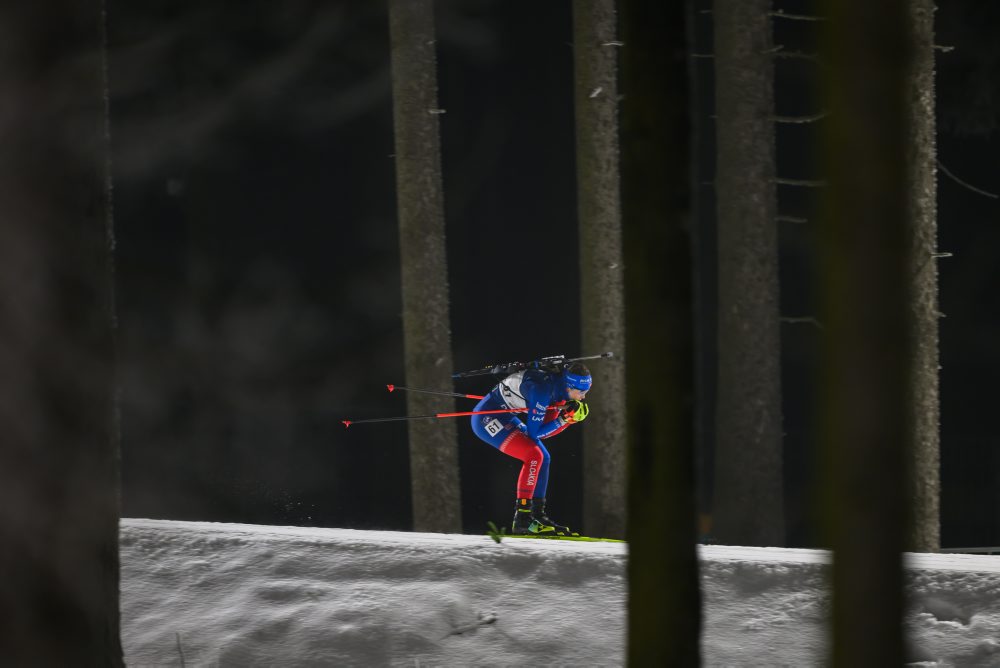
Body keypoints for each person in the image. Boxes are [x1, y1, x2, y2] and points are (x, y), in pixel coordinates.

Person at [470, 361, 591, 536]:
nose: (583, 397)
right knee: (534, 456)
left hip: (506, 416)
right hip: (486, 419)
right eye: (582, 392)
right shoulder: (542, 390)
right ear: (570, 386)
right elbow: (536, 434)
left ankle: (538, 516)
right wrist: (565, 420)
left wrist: (567, 420)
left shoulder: (560, 389)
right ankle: (522, 520)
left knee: (544, 457)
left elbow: (547, 430)